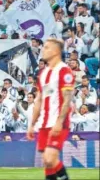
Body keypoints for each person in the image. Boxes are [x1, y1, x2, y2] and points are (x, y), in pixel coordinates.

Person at [27, 39, 74, 180]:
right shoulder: (44, 73)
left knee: (49, 158)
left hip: (58, 122)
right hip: (44, 123)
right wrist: (32, 124)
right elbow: (39, 100)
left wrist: (59, 121)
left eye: (47, 47)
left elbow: (67, 99)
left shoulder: (64, 70)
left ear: (56, 51)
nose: (43, 50)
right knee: (48, 164)